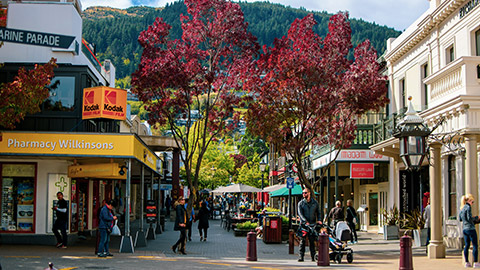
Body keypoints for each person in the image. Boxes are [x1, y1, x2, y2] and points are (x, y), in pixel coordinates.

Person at [297, 188, 322, 262]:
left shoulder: (315, 203)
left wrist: (319, 220)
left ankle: (313, 256)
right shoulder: (301, 203)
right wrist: (305, 221)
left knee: (312, 241)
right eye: (303, 193)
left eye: (305, 193)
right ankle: (301, 256)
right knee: (302, 241)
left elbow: (319, 212)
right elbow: (300, 214)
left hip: (313, 224)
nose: (303, 194)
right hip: (304, 225)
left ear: (309, 193)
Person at [459, 194, 480, 268]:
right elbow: (469, 218)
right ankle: (476, 262)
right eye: (472, 201)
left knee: (466, 245)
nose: (472, 203)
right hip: (471, 228)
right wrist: (477, 218)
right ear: (469, 200)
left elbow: (460, 219)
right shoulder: (468, 207)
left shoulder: (462, 208)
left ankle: (467, 262)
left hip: (465, 229)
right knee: (475, 245)